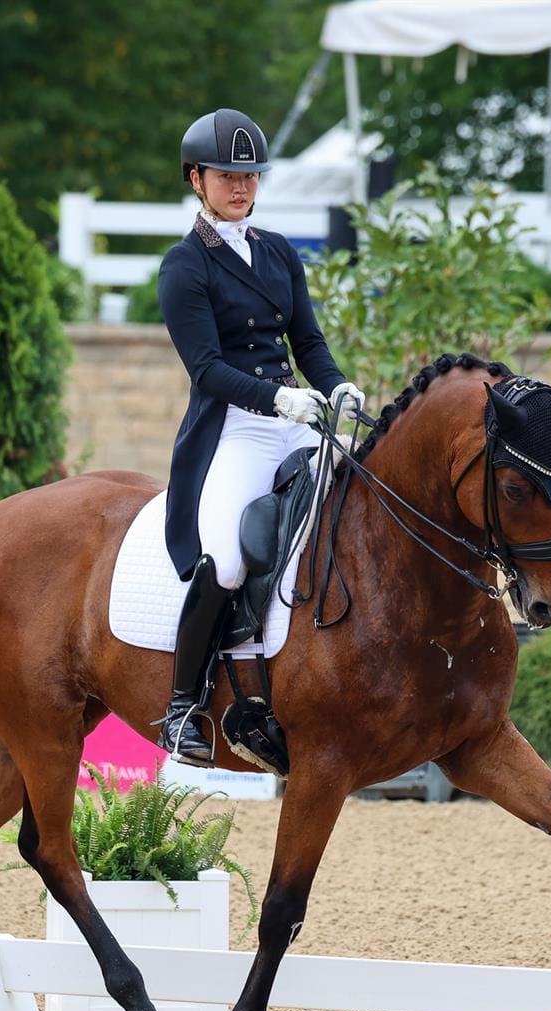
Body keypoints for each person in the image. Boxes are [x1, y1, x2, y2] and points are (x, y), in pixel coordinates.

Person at [152, 107, 366, 765]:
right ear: (197, 179)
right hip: (238, 430)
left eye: (250, 174)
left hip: (299, 418)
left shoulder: (276, 251)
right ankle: (183, 705)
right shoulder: (185, 265)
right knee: (227, 555)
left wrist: (336, 387)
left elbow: (308, 341)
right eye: (227, 175)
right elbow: (208, 369)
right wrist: (277, 397)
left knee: (362, 514)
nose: (241, 187)